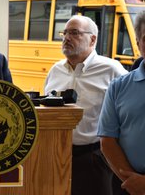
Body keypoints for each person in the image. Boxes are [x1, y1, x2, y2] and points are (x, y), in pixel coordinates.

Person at [44, 15, 128, 195]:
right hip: (55, 157)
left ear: (92, 39)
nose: (66, 38)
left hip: (94, 159)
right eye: (64, 33)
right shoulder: (55, 70)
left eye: (74, 33)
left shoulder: (112, 70)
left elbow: (128, 117)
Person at [98, 10, 145, 195]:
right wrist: (133, 181)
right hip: (128, 184)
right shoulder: (118, 87)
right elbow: (107, 140)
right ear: (137, 43)